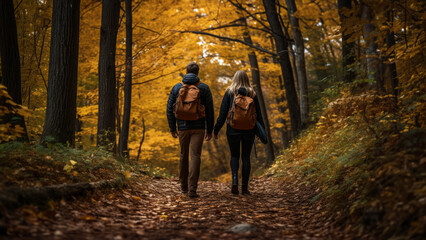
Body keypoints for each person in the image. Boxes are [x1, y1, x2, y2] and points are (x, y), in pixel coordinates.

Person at [167, 62, 214, 198]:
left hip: (182, 127)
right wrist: (209, 130)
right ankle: (192, 189)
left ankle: (183, 187)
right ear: (197, 73)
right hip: (198, 128)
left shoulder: (177, 88)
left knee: (183, 155)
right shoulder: (204, 88)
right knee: (195, 156)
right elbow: (210, 111)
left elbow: (170, 108)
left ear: (186, 72)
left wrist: (172, 128)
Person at [213, 70, 264, 195]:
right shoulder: (252, 93)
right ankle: (245, 188)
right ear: (246, 79)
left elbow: (223, 113)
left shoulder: (230, 92)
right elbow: (259, 114)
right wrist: (261, 130)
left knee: (234, 156)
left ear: (234, 79)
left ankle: (235, 180)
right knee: (246, 157)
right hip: (249, 129)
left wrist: (216, 130)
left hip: (233, 129)